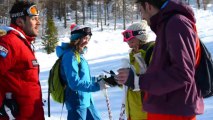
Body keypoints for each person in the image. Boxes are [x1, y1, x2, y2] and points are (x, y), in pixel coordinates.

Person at [116, 0, 204, 120]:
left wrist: (138, 81)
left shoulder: (176, 23)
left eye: (141, 11)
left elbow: (183, 73)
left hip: (173, 112)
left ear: (148, 5)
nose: (142, 16)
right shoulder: (168, 25)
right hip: (164, 109)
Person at [0, 1, 44, 120]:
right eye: (34, 19)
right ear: (20, 21)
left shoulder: (23, 43)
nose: (39, 22)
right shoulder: (9, 42)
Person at [56, 23, 107, 120]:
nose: (87, 42)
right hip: (77, 103)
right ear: (76, 39)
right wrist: (97, 86)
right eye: (84, 38)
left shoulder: (78, 55)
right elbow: (74, 83)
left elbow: (83, 78)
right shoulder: (70, 56)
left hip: (86, 100)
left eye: (88, 39)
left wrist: (97, 80)